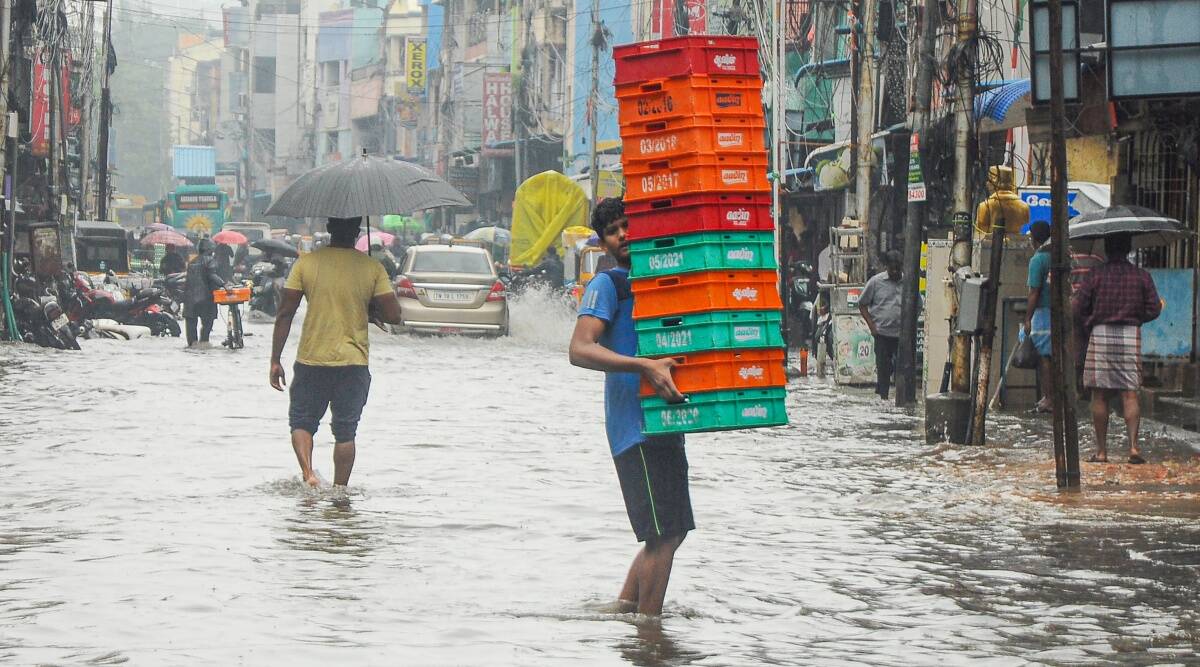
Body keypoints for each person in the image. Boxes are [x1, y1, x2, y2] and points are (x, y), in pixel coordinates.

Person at [568, 198, 690, 617]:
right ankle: (650, 634)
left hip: (665, 423)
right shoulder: (608, 286)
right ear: (603, 243)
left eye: (628, 225)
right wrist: (644, 367)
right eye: (614, 231)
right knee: (663, 534)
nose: (624, 235)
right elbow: (579, 349)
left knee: (672, 533)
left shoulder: (659, 282)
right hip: (634, 428)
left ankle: (625, 611)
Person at [269, 217, 403, 488]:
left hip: (311, 359)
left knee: (302, 422)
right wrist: (369, 307)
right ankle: (340, 494)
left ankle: (308, 474)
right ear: (356, 233)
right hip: (353, 363)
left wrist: (275, 359)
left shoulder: (306, 263)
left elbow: (285, 312)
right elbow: (394, 315)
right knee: (345, 432)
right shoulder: (372, 267)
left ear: (329, 230)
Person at [1072, 233, 1161, 465]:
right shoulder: (1141, 276)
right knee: (1129, 393)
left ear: (1107, 249)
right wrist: (1136, 317)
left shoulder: (1095, 275)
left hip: (1100, 334)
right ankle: (1133, 447)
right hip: (1130, 334)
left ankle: (1102, 452)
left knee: (1099, 394)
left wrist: (1090, 319)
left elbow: (1079, 307)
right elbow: (1154, 308)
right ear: (1129, 248)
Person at [858, 250, 903, 400]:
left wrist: (910, 324)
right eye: (892, 268)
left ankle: (901, 398)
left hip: (901, 335)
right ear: (887, 267)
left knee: (901, 368)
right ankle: (883, 397)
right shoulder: (876, 282)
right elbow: (862, 304)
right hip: (882, 334)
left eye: (898, 268)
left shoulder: (908, 282)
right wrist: (872, 326)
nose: (895, 272)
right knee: (883, 368)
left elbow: (918, 305)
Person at [1023, 221, 1054, 412]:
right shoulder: (1060, 256)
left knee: (1045, 358)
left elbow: (1034, 291)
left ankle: (1049, 398)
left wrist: (1027, 318)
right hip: (1060, 312)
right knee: (1056, 357)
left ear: (1034, 238)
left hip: (1042, 314)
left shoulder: (1038, 260)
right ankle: (1055, 397)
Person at [183, 239, 227, 348]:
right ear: (210, 249)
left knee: (191, 323)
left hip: (190, 299)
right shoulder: (210, 260)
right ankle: (204, 342)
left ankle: (192, 344)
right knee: (207, 323)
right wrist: (224, 285)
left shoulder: (192, 262)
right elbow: (212, 275)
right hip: (205, 298)